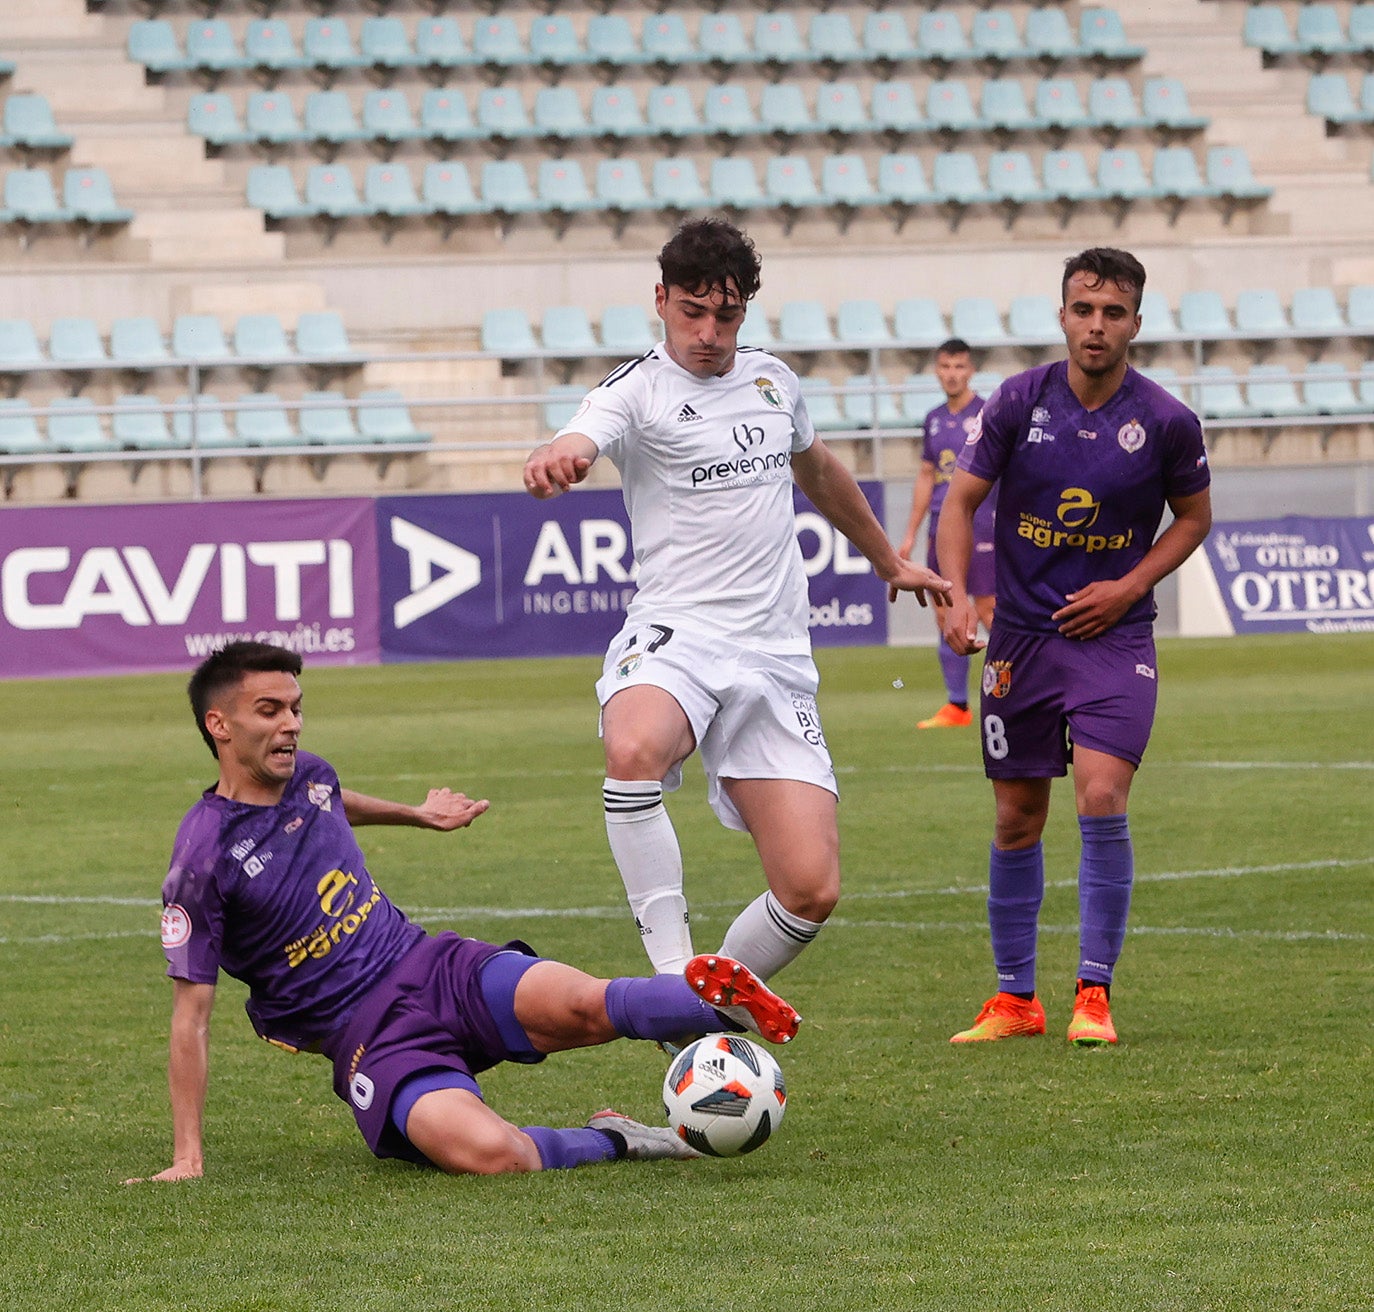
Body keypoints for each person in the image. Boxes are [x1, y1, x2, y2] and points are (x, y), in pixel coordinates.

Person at [126, 641, 801, 1182]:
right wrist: (188, 1155)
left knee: (583, 1004)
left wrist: (417, 815)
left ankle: (712, 1008)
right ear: (220, 725)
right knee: (490, 1153)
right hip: (373, 1039)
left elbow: (332, 795)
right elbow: (192, 1019)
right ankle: (620, 1139)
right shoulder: (203, 859)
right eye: (270, 710)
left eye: (296, 708)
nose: (292, 724)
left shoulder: (309, 773)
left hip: (431, 963)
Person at [523, 218, 951, 983]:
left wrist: (890, 560)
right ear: (660, 300)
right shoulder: (635, 391)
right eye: (692, 311)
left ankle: (702, 1006)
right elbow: (584, 436)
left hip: (776, 658)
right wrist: (562, 456)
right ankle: (668, 977)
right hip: (677, 636)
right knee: (633, 750)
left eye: (726, 315)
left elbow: (818, 472)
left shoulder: (772, 381)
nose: (709, 332)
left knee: (811, 889)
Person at [936, 248, 1212, 1047]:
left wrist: (1129, 588)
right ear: (1062, 315)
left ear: (1135, 321)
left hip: (1114, 640)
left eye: (1114, 312)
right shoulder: (1018, 401)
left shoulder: (1165, 420)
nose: (1098, 326)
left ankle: (1094, 994)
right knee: (1017, 817)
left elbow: (1193, 520)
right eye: (1084, 310)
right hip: (1021, 640)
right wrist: (955, 595)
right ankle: (1016, 999)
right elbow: (960, 506)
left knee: (1100, 796)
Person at [897, 338, 997, 729]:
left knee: (989, 608)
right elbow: (927, 475)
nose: (952, 374)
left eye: (959, 367)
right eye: (945, 367)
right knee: (944, 610)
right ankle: (957, 706)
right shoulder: (934, 418)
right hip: (941, 525)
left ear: (970, 370)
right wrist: (910, 534)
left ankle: (1026, 685)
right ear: (936, 371)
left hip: (982, 521)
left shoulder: (988, 413)